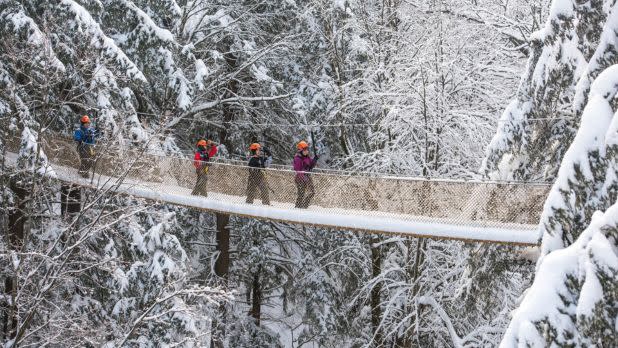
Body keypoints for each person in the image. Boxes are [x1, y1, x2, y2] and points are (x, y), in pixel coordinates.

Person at [293, 140, 318, 208]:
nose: (307, 151)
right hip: (300, 178)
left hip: (307, 176)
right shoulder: (297, 158)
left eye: (307, 150)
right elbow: (298, 170)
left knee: (312, 192)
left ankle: (304, 206)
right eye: (305, 150)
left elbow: (311, 166)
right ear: (300, 150)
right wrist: (304, 178)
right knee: (301, 193)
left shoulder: (307, 157)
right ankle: (298, 207)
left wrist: (315, 160)